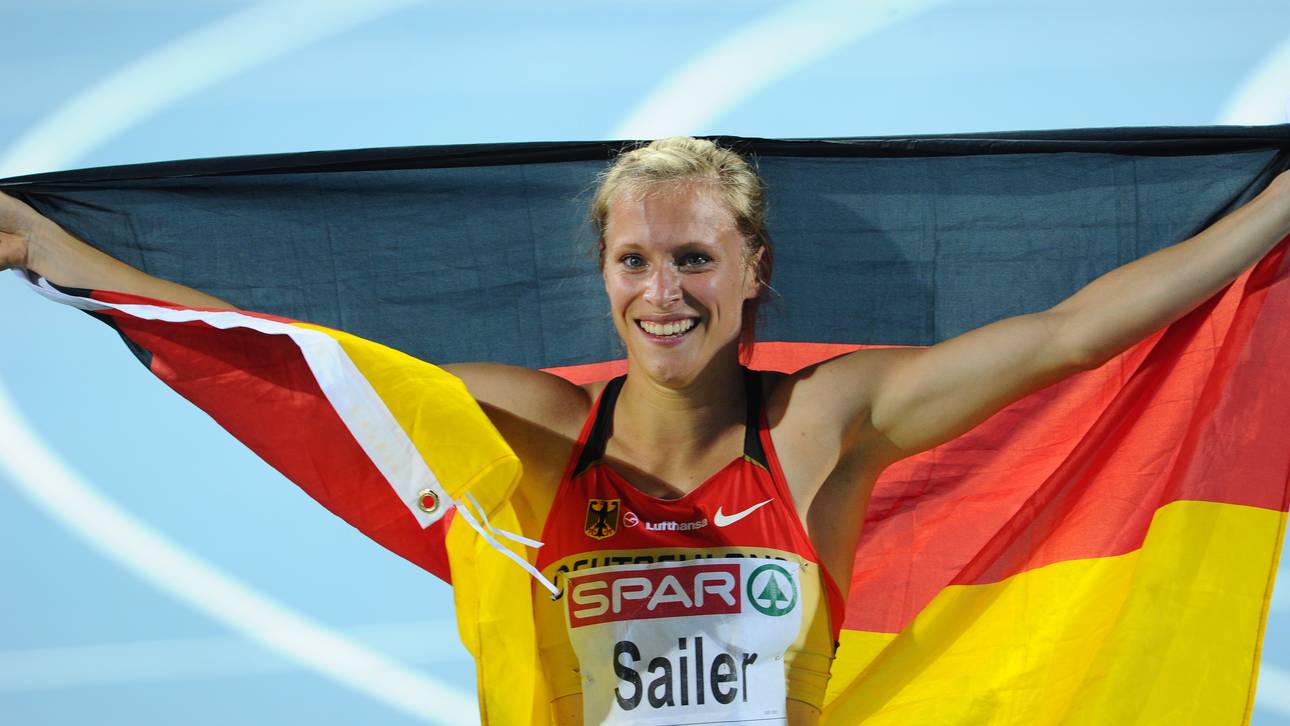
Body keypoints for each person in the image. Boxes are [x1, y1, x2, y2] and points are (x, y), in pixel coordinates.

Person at [2, 137, 1289, 725]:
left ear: (753, 274)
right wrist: (72, 261)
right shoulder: (532, 430)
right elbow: (293, 360)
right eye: (634, 261)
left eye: (693, 258)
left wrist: (1272, 213)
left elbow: (1071, 336)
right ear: (604, 278)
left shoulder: (825, 428)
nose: (661, 292)